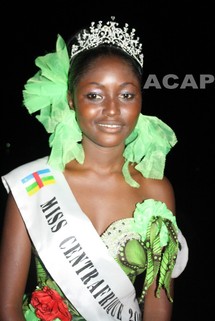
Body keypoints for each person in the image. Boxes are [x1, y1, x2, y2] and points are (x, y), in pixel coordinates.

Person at [0, 17, 188, 321]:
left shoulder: (157, 190)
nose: (112, 109)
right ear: (71, 100)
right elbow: (7, 309)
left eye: (126, 94)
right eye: (94, 95)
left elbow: (158, 305)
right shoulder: (32, 184)